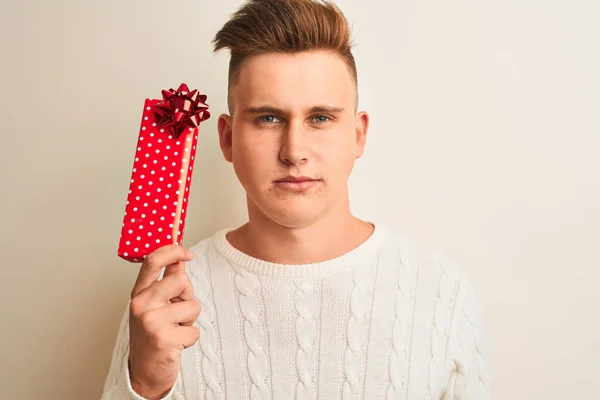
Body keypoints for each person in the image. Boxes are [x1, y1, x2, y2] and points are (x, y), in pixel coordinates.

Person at [101, 0, 491, 398]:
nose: (294, 151)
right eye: (268, 118)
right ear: (227, 138)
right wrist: (146, 386)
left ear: (358, 135)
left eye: (320, 118)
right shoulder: (165, 301)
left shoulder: (442, 293)